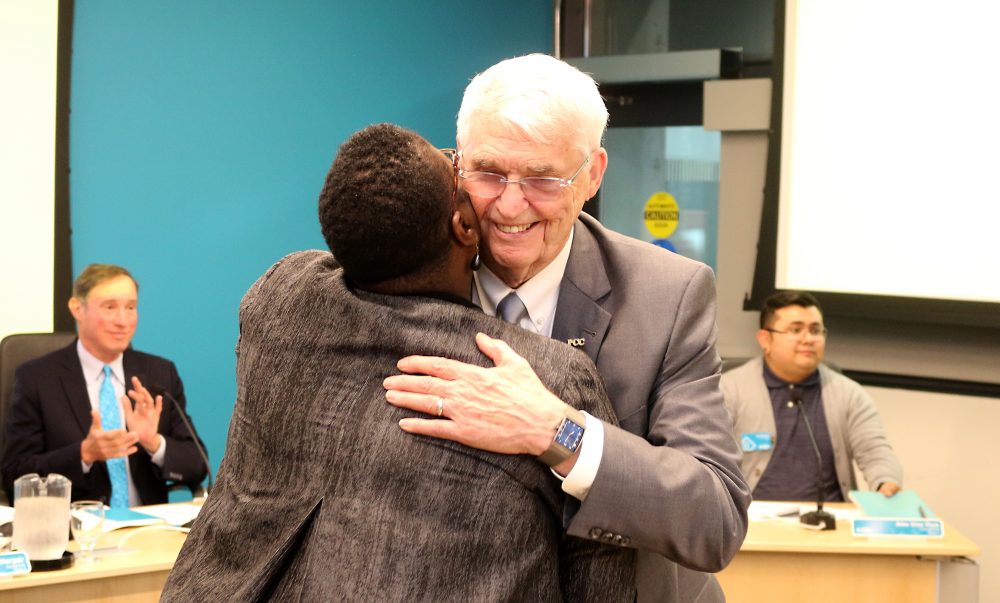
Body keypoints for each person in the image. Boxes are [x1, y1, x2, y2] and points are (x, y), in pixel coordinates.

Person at [161, 123, 635, 601]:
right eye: (459, 171)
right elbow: (600, 570)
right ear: (464, 227)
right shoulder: (545, 379)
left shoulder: (280, 296)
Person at [382, 54, 750, 602]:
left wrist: (555, 431)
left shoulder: (667, 295)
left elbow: (713, 517)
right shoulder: (400, 268)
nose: (510, 206)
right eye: (488, 172)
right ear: (455, 166)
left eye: (543, 179)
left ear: (593, 174)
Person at [2, 264, 207, 505]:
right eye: (109, 307)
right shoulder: (37, 378)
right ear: (77, 308)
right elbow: (15, 474)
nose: (123, 320)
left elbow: (197, 465)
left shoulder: (159, 374)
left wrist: (153, 442)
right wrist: (84, 454)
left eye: (130, 307)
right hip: (76, 530)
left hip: (149, 529)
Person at [721, 290, 903, 501]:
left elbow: (875, 451)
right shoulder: (728, 390)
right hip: (752, 522)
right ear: (765, 339)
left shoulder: (849, 394)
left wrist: (886, 482)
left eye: (815, 330)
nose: (808, 339)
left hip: (828, 522)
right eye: (796, 330)